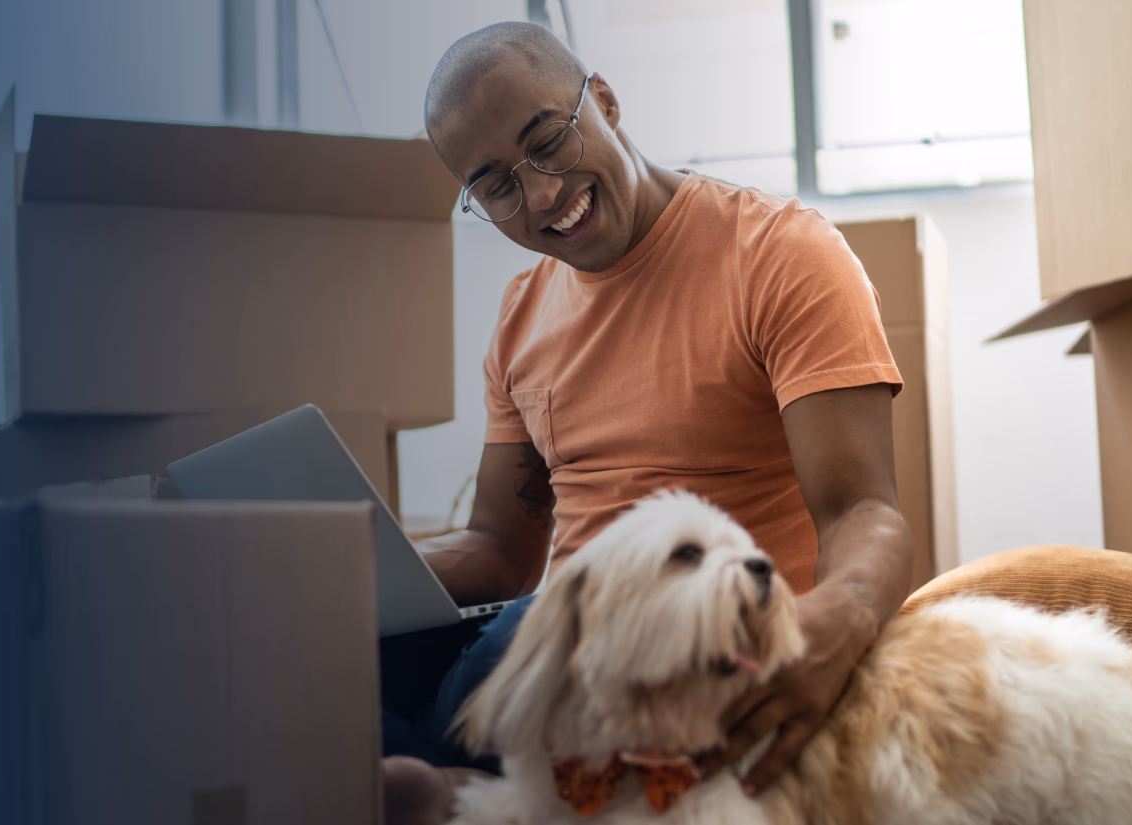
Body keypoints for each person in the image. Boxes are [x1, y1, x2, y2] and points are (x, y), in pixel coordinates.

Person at [381, 21, 915, 824]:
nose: (542, 196)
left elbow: (863, 510)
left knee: (512, 647)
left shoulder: (782, 255)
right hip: (567, 658)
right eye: (496, 187)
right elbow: (499, 548)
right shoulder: (521, 316)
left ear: (603, 101)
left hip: (699, 649)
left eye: (548, 143)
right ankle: (469, 786)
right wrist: (345, 567)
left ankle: (459, 791)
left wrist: (839, 621)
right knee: (328, 677)